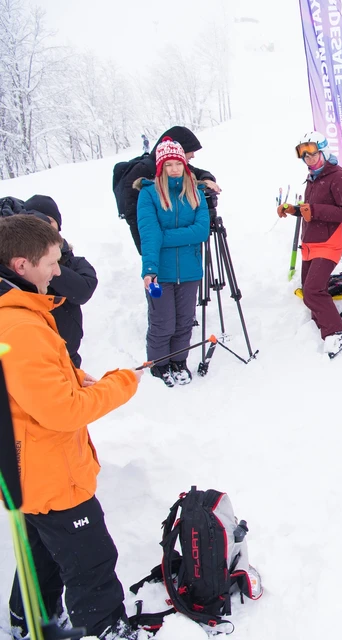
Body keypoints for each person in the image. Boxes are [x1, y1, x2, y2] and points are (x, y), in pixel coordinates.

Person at [0, 214, 141, 640]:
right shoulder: (19, 324)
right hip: (50, 470)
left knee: (42, 550)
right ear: (21, 265)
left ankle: (31, 620)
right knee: (90, 559)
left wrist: (72, 376)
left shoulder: (16, 309)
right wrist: (121, 385)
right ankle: (107, 627)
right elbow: (62, 412)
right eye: (51, 263)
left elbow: (21, 379)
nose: (59, 271)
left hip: (25, 467)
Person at [136, 137, 210, 386]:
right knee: (162, 323)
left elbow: (201, 231)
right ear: (161, 168)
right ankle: (159, 365)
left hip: (190, 271)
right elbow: (149, 234)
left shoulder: (196, 192)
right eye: (168, 165)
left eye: (178, 163)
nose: (174, 169)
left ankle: (179, 361)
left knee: (184, 323)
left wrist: (164, 236)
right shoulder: (148, 194)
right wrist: (150, 270)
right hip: (161, 271)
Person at [277, 132, 342, 358]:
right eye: (305, 156)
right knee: (311, 289)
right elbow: (310, 210)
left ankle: (336, 332)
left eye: (313, 154)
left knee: (311, 291)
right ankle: (322, 320)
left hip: (329, 243)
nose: (309, 159)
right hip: (311, 243)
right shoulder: (313, 177)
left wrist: (315, 211)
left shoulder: (338, 177)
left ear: (324, 151)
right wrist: (293, 209)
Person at [115, 126, 219, 255]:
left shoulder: (173, 168)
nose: (193, 155)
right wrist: (147, 249)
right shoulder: (143, 171)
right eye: (191, 151)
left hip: (173, 241)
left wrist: (206, 179)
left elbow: (197, 172)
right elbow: (133, 213)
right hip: (157, 245)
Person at [23, 195, 99, 368]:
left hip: (69, 353)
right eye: (35, 220)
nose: (43, 225)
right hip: (33, 356)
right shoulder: (21, 265)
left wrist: (46, 263)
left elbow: (83, 291)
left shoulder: (74, 262)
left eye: (48, 220)